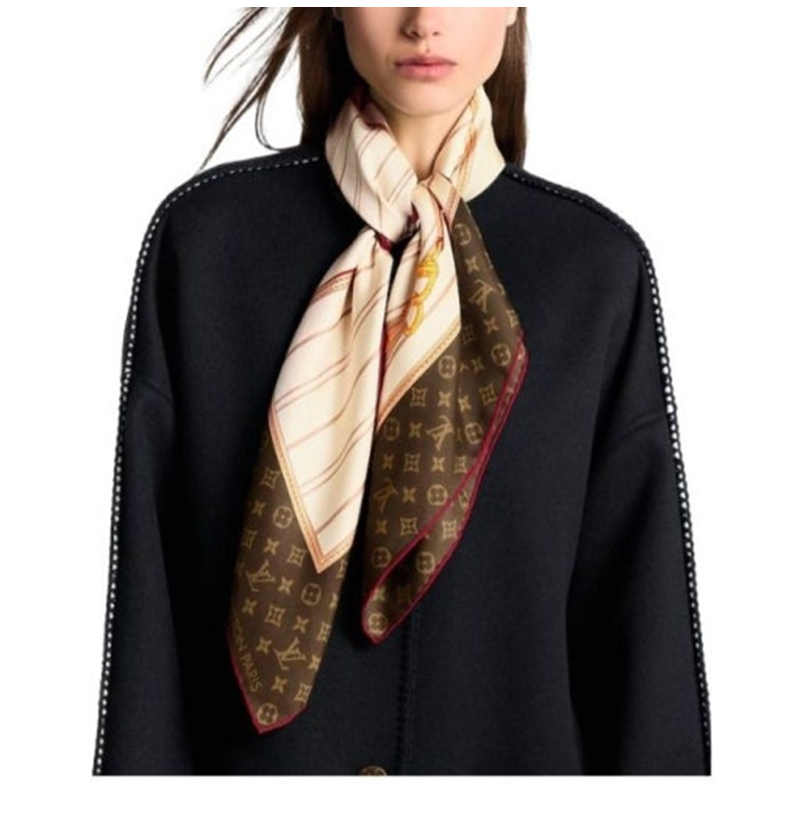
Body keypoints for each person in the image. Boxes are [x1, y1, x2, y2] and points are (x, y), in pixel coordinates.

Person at [91, 7, 711, 775]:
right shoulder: (210, 246)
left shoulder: (592, 272)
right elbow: (153, 625)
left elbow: (640, 635)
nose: (424, 21)